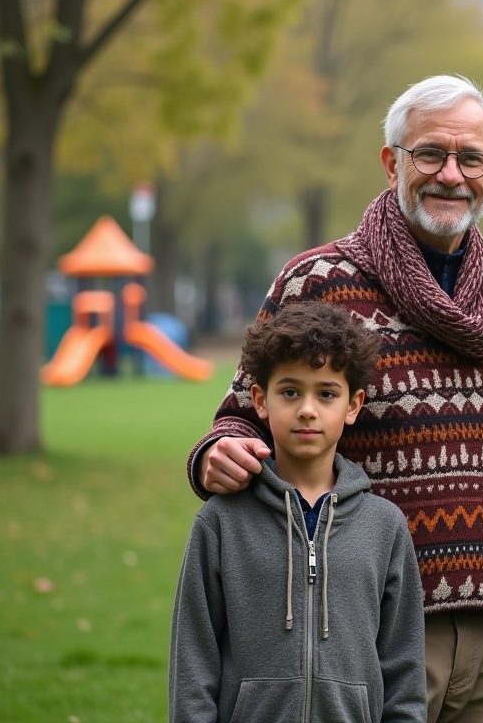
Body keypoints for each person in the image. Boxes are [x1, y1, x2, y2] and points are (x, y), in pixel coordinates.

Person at [184, 75, 483, 723]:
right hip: (365, 623)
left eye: (470, 158)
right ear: (392, 161)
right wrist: (216, 451)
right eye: (430, 153)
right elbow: (240, 411)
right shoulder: (319, 279)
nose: (450, 174)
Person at [169, 302, 427, 723]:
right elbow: (193, 663)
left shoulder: (385, 527)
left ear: (353, 404)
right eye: (290, 392)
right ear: (260, 400)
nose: (308, 409)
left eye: (326, 393)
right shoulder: (220, 523)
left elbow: (405, 672)